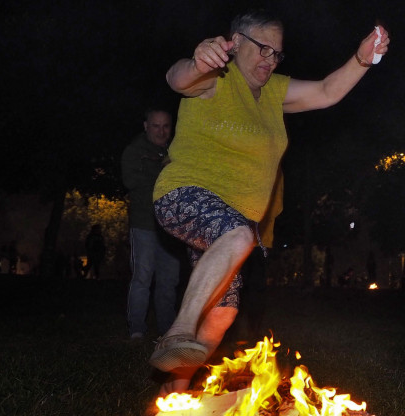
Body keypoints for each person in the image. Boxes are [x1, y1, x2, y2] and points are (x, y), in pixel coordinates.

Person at [148, 10, 390, 393]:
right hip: (182, 196)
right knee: (240, 236)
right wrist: (197, 61)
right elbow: (178, 79)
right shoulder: (215, 78)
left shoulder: (274, 92)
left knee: (224, 314)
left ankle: (174, 393)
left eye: (277, 54)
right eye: (263, 49)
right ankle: (177, 332)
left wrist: (363, 59)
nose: (270, 60)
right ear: (235, 42)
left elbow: (327, 91)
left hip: (226, 224)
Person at [121, 108, 181, 340]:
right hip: (144, 224)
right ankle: (137, 328)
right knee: (142, 277)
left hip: (171, 227)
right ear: (146, 126)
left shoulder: (177, 151)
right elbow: (131, 182)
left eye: (165, 126)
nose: (161, 131)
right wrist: (163, 168)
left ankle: (166, 331)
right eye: (156, 126)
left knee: (169, 281)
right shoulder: (134, 151)